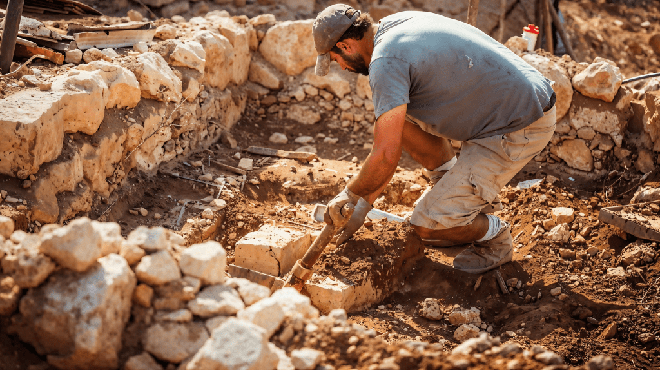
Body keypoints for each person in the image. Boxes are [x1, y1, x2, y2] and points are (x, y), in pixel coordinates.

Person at [313, 4, 557, 273]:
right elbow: (389, 143)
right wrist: (361, 208)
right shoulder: (394, 25)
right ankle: (449, 193)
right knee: (393, 123)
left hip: (518, 122)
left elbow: (385, 156)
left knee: (425, 225)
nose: (342, 67)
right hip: (509, 103)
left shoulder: (385, 63)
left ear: (346, 46)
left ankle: (495, 237)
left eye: (336, 60)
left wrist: (349, 194)